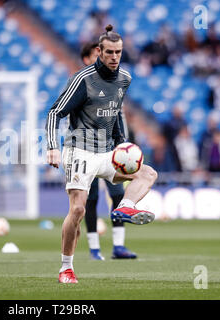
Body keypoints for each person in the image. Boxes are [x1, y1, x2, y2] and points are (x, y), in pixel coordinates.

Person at [46, 25, 158, 283]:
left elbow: (115, 113)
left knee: (148, 173)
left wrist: (123, 145)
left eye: (118, 52)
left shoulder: (125, 79)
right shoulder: (82, 79)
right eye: (109, 52)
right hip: (80, 150)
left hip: (108, 152)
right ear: (99, 51)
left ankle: (126, 208)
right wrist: (52, 146)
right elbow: (55, 112)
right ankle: (66, 267)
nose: (114, 57)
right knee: (78, 211)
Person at [80, 41, 138, 261]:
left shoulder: (116, 82)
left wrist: (124, 143)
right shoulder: (82, 82)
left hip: (112, 147)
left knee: (118, 194)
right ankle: (94, 249)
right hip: (87, 148)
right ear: (87, 58)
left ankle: (119, 246)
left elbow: (119, 117)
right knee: (91, 197)